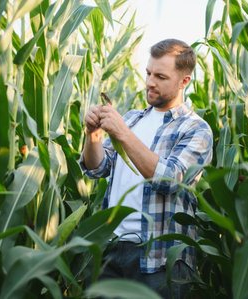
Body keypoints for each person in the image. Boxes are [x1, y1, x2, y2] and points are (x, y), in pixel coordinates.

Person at [80, 39, 213, 298]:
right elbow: (97, 168)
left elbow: (170, 180)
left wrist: (122, 134)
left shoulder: (196, 129)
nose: (150, 82)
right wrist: (92, 135)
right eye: (149, 73)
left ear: (184, 81)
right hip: (111, 247)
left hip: (160, 259)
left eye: (161, 76)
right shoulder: (132, 118)